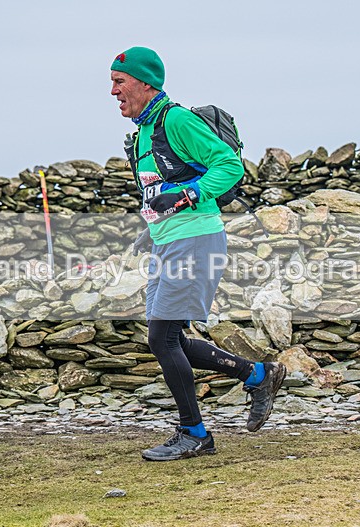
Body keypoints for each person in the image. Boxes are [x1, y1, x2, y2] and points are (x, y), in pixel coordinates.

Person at [110, 46, 286, 461]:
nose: (112, 91)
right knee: (166, 338)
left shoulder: (176, 120)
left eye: (119, 82)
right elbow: (162, 192)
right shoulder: (144, 133)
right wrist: (151, 232)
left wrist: (192, 193)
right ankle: (257, 374)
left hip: (196, 240)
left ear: (144, 82)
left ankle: (195, 433)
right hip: (170, 241)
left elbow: (229, 165)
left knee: (162, 336)